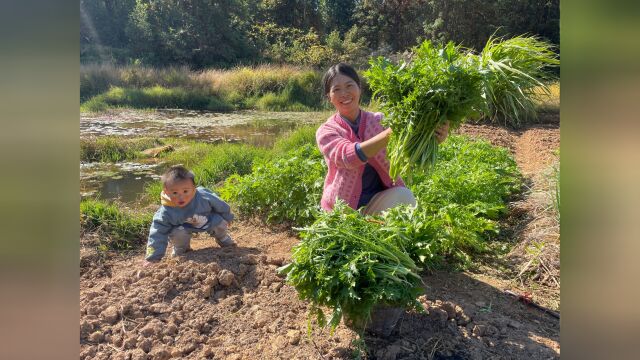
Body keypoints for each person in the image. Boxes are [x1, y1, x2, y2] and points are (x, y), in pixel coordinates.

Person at [316, 63, 450, 215]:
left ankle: (375, 224)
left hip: (377, 202)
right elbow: (348, 157)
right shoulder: (327, 131)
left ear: (359, 88)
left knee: (405, 196)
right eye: (337, 89)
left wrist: (433, 139)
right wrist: (391, 133)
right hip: (343, 209)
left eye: (349, 85)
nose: (344, 93)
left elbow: (407, 155)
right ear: (329, 97)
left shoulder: (380, 121)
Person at [142, 165, 235, 266]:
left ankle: (222, 237)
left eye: (185, 191)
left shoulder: (202, 195)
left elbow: (220, 204)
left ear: (194, 189)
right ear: (166, 191)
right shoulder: (166, 211)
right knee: (177, 234)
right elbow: (157, 232)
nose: (181, 197)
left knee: (220, 223)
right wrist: (153, 257)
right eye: (174, 193)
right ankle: (181, 248)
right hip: (183, 228)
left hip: (208, 220)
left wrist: (228, 216)